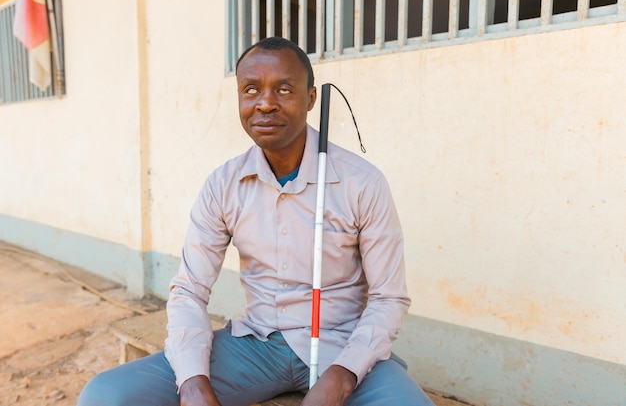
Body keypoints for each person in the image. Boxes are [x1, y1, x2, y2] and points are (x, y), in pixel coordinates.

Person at [77, 36, 435, 406]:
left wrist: (343, 377)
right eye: (251, 90)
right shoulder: (223, 185)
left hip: (341, 347)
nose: (265, 103)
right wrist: (193, 383)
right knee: (106, 396)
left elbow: (388, 298)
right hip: (255, 347)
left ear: (311, 99)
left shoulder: (362, 182)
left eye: (283, 89)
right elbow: (189, 291)